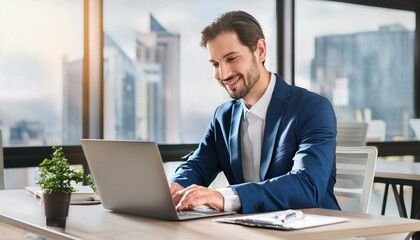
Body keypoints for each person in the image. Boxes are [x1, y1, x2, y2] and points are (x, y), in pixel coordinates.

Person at [169, 10, 340, 213]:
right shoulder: (223, 117)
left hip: (314, 228)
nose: (223, 74)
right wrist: (176, 187)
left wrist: (224, 196)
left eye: (231, 58)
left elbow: (307, 185)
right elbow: (197, 165)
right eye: (215, 64)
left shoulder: (312, 108)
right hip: (250, 228)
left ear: (260, 51)